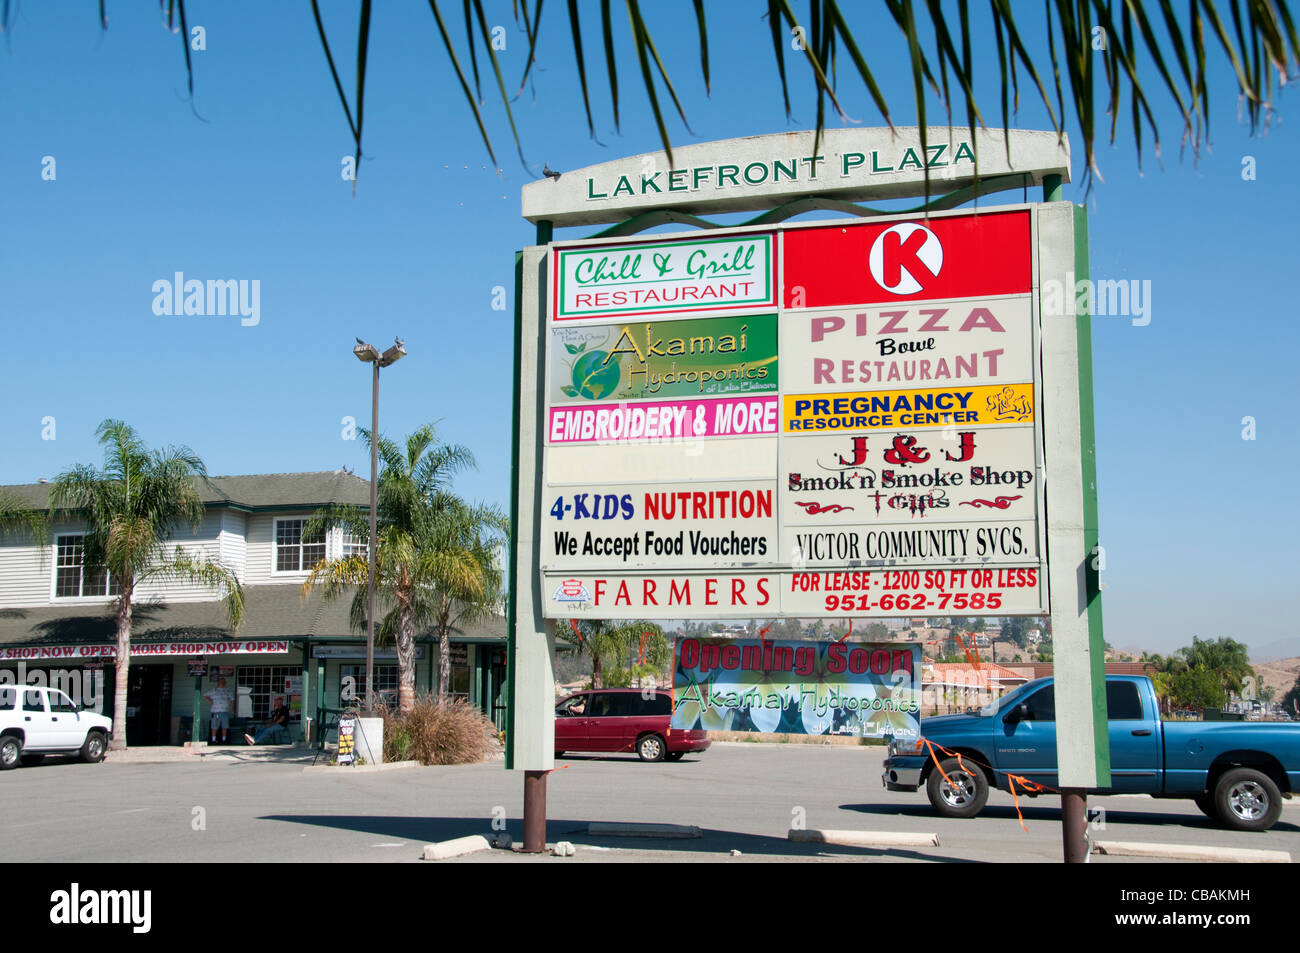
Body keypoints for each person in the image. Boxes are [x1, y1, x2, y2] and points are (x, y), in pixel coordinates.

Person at [202, 677, 234, 745]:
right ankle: (213, 740)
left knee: (224, 726)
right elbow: (205, 695)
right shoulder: (214, 690)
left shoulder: (227, 691)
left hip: (225, 711)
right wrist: (210, 701)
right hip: (215, 711)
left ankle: (224, 740)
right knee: (214, 726)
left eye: (224, 682)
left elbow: (232, 700)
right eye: (221, 681)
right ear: (218, 683)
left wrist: (233, 709)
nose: (222, 683)